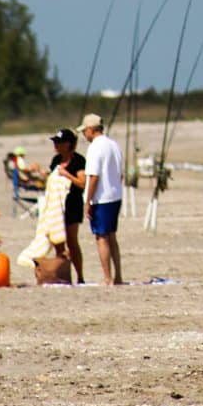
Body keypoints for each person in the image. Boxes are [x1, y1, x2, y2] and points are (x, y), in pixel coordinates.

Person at [77, 113, 123, 286]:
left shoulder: (95, 148)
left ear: (91, 129)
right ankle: (118, 276)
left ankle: (107, 277)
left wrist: (87, 201)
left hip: (101, 198)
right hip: (115, 196)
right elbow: (120, 174)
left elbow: (94, 176)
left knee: (101, 237)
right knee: (112, 236)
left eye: (84, 131)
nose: (84, 135)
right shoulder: (113, 144)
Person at [49, 128, 86, 284]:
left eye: (59, 142)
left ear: (68, 144)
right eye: (55, 142)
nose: (56, 145)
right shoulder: (55, 160)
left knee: (72, 241)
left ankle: (80, 276)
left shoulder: (78, 160)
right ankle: (63, 276)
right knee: (57, 241)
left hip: (73, 204)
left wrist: (67, 175)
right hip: (57, 204)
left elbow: (82, 183)